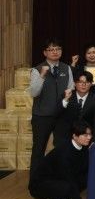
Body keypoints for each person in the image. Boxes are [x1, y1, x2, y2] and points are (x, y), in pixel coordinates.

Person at [28, 120, 92, 199]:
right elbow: (69, 180)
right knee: (66, 185)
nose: (89, 137)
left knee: (85, 178)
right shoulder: (64, 152)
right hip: (39, 185)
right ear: (74, 136)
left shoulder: (83, 148)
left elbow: (83, 170)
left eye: (89, 134)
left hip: (57, 179)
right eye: (85, 135)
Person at [29, 38, 75, 171]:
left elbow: (71, 88)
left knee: (62, 148)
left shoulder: (66, 68)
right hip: (42, 116)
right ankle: (35, 180)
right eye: (51, 49)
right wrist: (42, 75)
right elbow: (34, 92)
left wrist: (68, 95)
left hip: (62, 115)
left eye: (58, 49)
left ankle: (60, 177)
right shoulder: (37, 69)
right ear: (45, 52)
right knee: (38, 149)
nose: (55, 52)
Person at [57, 71, 95, 144]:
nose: (83, 85)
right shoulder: (66, 95)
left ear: (91, 84)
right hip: (66, 137)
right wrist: (65, 100)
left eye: (87, 82)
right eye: (80, 82)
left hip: (86, 139)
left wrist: (94, 141)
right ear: (75, 83)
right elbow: (57, 113)